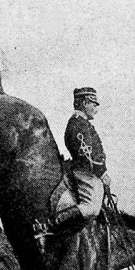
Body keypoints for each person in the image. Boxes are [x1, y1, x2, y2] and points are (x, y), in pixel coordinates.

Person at [34, 87, 111, 250]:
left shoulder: (84, 123)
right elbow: (86, 155)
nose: (96, 109)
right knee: (90, 208)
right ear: (84, 103)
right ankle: (46, 226)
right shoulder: (77, 123)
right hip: (84, 172)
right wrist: (102, 172)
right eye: (93, 104)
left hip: (92, 173)